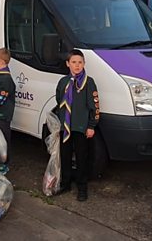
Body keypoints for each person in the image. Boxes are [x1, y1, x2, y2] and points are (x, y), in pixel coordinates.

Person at [56, 49, 99, 202]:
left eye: (80, 62)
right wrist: (61, 122)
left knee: (82, 158)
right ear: (68, 64)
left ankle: (82, 188)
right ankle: (65, 183)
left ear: (84, 64)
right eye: (74, 62)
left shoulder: (89, 82)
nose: (77, 65)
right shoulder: (63, 82)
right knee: (65, 156)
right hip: (66, 127)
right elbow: (59, 101)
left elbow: (94, 107)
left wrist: (91, 126)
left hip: (81, 128)